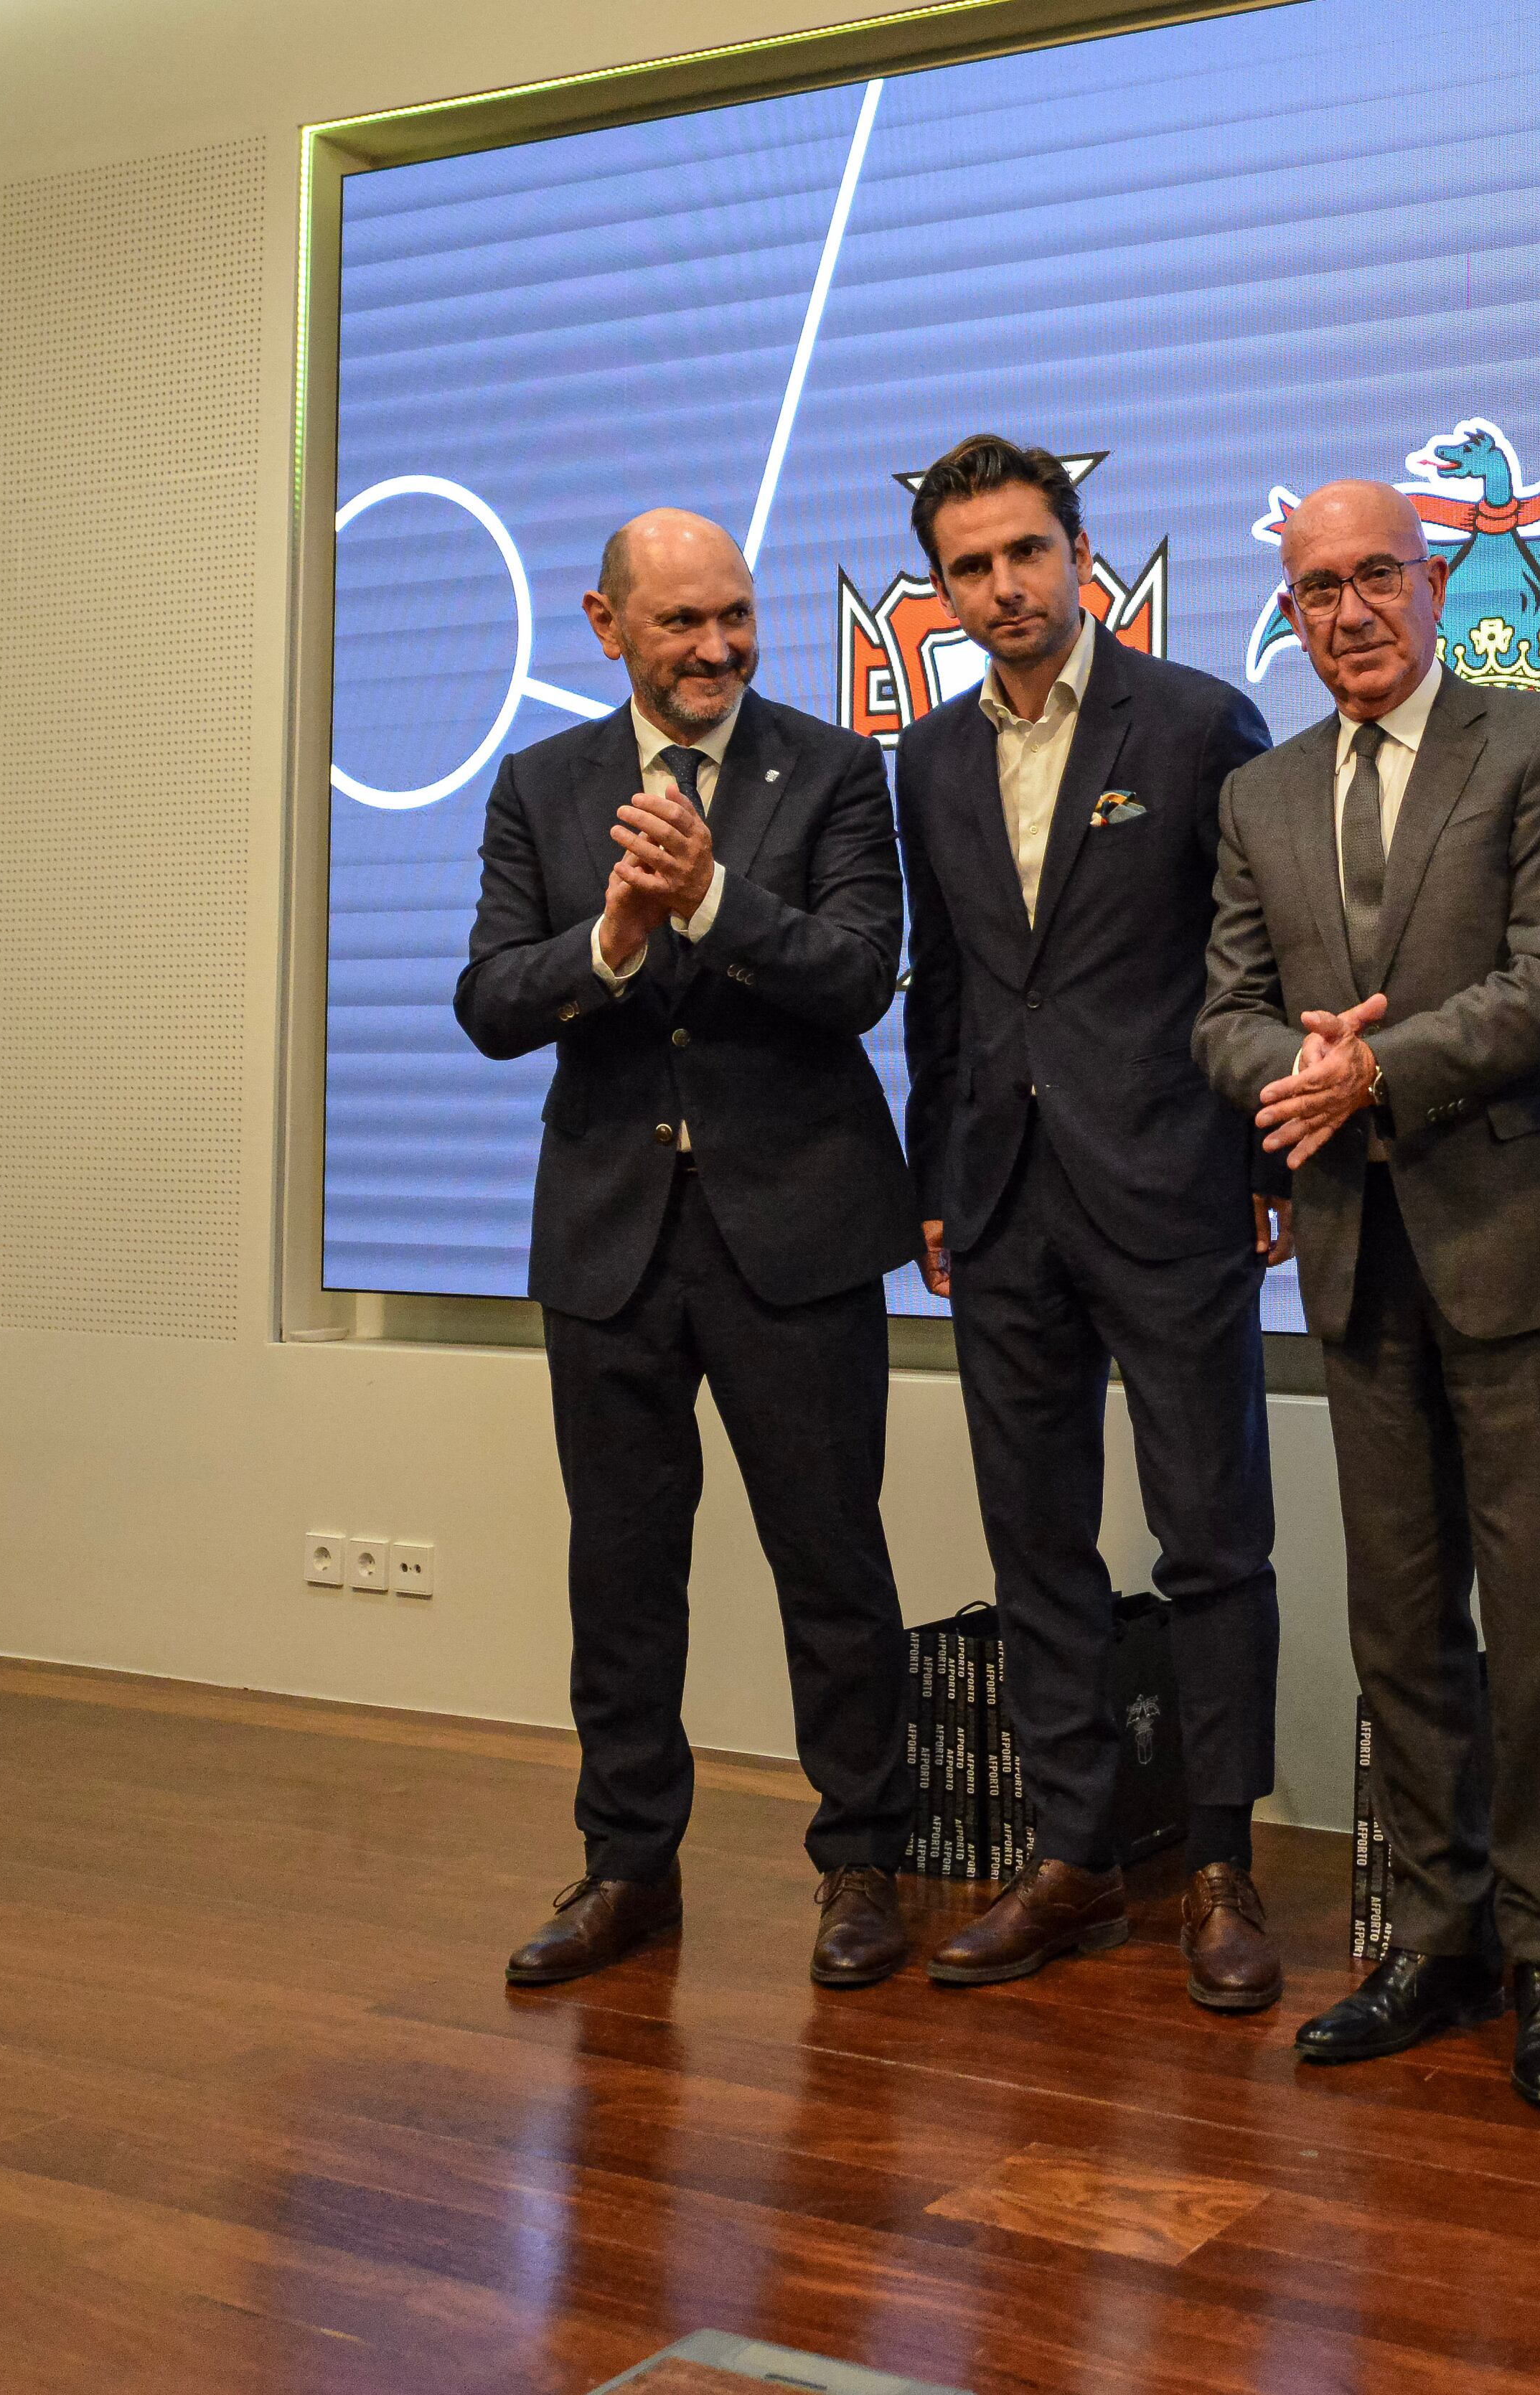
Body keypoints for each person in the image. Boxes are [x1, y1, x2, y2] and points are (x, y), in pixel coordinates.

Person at [1196, 477, 1540, 2112]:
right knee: (1404, 1628)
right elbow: (1223, 1014)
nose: (1347, 612)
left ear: (1437, 576)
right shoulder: (1258, 794)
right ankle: (1437, 1936)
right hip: (1358, 1255)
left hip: (1531, 1244)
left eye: (1376, 577)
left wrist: (1368, 1071)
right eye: (1317, 588)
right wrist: (1305, 1071)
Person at [455, 507, 921, 1992]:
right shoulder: (543, 785)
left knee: (832, 1567)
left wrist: (709, 900)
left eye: (734, 613)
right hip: (610, 1245)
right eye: (679, 623)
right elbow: (487, 999)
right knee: (623, 1573)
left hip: (799, 1231)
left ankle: (860, 1863)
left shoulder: (838, 769)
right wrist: (612, 935)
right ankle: (626, 1869)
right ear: (606, 627)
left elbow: (855, 977)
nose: (717, 644)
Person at [889, 437, 1291, 2010]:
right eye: (973, 565)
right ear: (942, 586)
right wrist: (932, 1180)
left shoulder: (1196, 723)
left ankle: (1216, 1861)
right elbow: (945, 986)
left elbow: (1253, 958)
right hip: (994, 1201)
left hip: (1174, 1181)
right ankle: (1070, 1855)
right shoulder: (921, 759)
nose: (1005, 587)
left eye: (1028, 554)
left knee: (1210, 1540)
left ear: (1080, 555)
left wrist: (1267, 1163)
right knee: (1035, 1541)